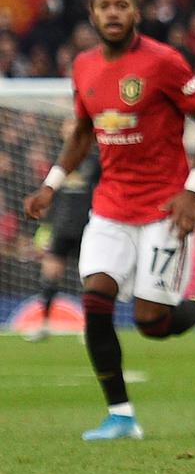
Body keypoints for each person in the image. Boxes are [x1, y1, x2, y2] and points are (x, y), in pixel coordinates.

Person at [23, 0, 195, 441]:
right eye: (105, 7)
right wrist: (51, 185)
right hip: (111, 208)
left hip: (164, 210)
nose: (114, 14)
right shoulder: (83, 67)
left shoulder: (163, 62)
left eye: (122, 5)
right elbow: (83, 130)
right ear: (93, 14)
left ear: (136, 11)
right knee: (95, 298)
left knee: (152, 323)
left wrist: (192, 191)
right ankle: (121, 414)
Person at [26, 119, 101, 342]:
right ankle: (44, 324)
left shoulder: (95, 162)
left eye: (73, 128)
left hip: (87, 227)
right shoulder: (58, 164)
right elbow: (52, 199)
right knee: (49, 277)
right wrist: (46, 227)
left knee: (89, 280)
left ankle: (92, 327)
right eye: (66, 127)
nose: (69, 132)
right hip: (60, 227)